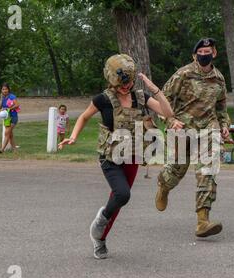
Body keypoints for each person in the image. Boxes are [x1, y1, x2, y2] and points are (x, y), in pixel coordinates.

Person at [58, 54, 174, 259]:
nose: (125, 87)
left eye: (129, 82)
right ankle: (99, 225)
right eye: (121, 83)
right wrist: (73, 137)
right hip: (109, 157)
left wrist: (153, 88)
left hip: (131, 156)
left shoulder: (140, 97)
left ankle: (99, 239)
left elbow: (168, 111)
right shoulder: (103, 99)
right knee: (122, 194)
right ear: (111, 80)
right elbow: (84, 116)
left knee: (117, 199)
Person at [155, 38, 231, 238]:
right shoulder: (183, 74)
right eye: (201, 51)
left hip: (208, 128)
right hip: (182, 129)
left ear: (214, 53)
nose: (205, 54)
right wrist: (170, 121)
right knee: (176, 170)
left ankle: (202, 221)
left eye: (208, 50)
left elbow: (222, 108)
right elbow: (161, 100)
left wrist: (224, 126)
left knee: (208, 171)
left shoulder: (219, 78)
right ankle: (164, 186)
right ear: (194, 55)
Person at [0, 83, 20, 153]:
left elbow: (17, 104)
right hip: (6, 118)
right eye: (3, 89)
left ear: (8, 90)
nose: (4, 91)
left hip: (13, 117)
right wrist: (1, 99)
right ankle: (15, 150)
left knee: (7, 133)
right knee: (10, 135)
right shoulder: (3, 98)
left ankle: (2, 149)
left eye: (6, 89)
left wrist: (9, 108)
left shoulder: (12, 96)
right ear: (1, 90)